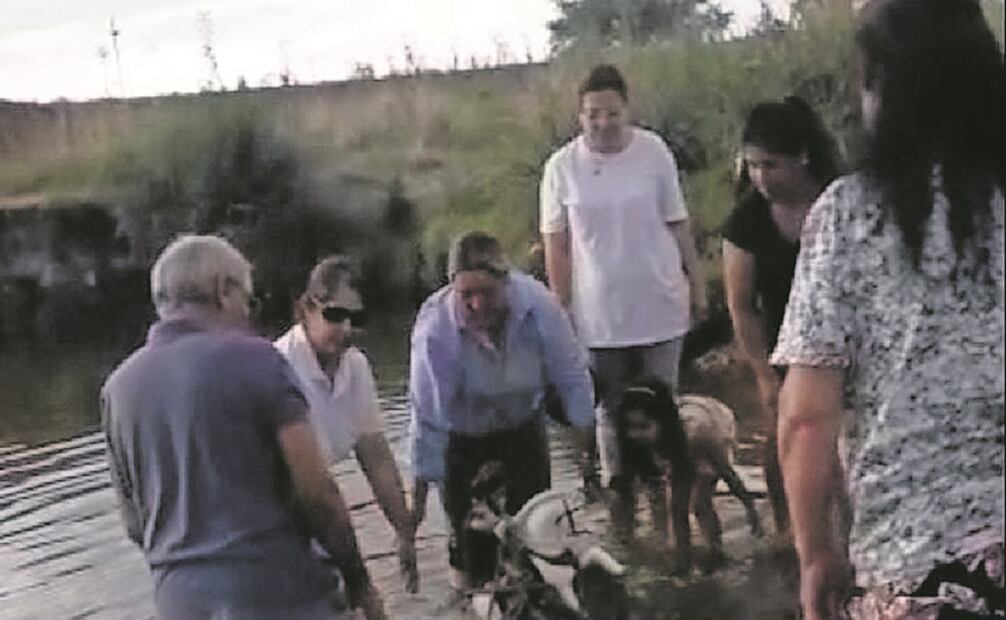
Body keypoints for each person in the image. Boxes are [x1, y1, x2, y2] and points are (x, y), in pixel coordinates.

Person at [771, 0, 1005, 618]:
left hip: (918, 569)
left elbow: (806, 420)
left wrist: (816, 555)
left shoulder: (850, 216)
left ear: (884, 93)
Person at [101, 235, 385, 619]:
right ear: (222, 292)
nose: (249, 315)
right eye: (249, 301)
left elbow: (135, 523)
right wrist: (358, 581)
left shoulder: (118, 389)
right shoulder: (258, 361)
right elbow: (316, 493)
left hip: (179, 603)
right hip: (278, 595)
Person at [540, 64, 708, 515]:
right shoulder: (562, 167)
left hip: (660, 300)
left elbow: (677, 221)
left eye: (611, 112)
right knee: (610, 412)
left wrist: (697, 283)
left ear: (626, 110)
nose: (603, 123)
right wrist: (561, 312)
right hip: (598, 315)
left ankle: (671, 495)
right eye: (593, 114)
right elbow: (557, 246)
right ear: (580, 115)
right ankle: (621, 501)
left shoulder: (653, 152)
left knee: (663, 406)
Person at [408, 231, 595, 591]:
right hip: (464, 439)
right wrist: (413, 514)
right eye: (466, 296)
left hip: (523, 427)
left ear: (506, 282)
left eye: (487, 293)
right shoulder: (435, 332)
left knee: (536, 539)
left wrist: (587, 456)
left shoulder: (540, 306)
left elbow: (573, 378)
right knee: (473, 552)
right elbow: (427, 423)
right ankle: (472, 604)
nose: (478, 305)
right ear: (452, 291)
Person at [721, 96, 842, 536]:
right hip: (782, 345)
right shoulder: (747, 219)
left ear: (802, 156)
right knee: (782, 441)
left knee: (849, 452)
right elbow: (740, 304)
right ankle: (786, 530)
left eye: (770, 165)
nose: (760, 177)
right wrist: (762, 373)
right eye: (752, 166)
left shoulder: (842, 199)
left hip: (847, 342)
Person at [274, 256, 419, 593]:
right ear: (305, 309)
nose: (346, 329)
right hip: (275, 519)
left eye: (357, 318)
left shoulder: (356, 368)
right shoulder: (278, 367)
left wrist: (404, 533)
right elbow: (306, 490)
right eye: (335, 315)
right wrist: (359, 581)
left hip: (314, 508)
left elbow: (376, 457)